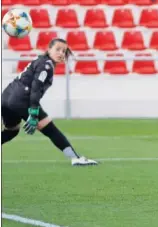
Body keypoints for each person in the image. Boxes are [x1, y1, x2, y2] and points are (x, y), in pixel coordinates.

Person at [2, 38, 98, 166]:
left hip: (6, 98)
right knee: (51, 130)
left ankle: (75, 157)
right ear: (49, 49)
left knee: (11, 131)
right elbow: (35, 89)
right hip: (21, 99)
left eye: (63, 51)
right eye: (57, 49)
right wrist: (34, 112)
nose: (61, 53)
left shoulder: (40, 61)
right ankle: (76, 158)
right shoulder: (46, 65)